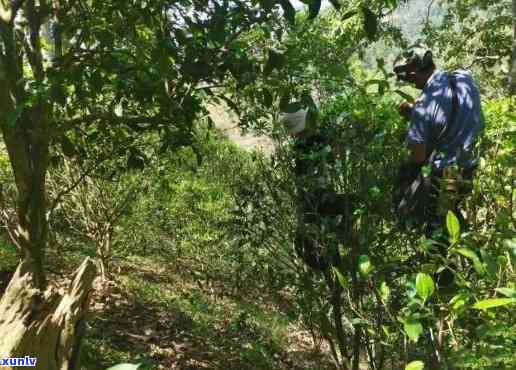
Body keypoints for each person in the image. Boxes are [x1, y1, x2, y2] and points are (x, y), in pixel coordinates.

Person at [393, 46, 485, 238]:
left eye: (408, 78)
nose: (410, 83)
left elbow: (418, 156)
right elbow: (452, 112)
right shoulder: (464, 78)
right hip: (470, 166)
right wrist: (416, 112)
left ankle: (448, 264)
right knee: (453, 217)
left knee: (439, 231)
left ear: (414, 73)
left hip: (446, 175)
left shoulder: (423, 106)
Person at [280, 102, 356, 271]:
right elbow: (336, 153)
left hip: (311, 200)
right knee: (350, 208)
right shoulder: (309, 143)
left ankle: (334, 268)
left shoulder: (303, 144)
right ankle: (337, 261)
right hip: (317, 198)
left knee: (324, 239)